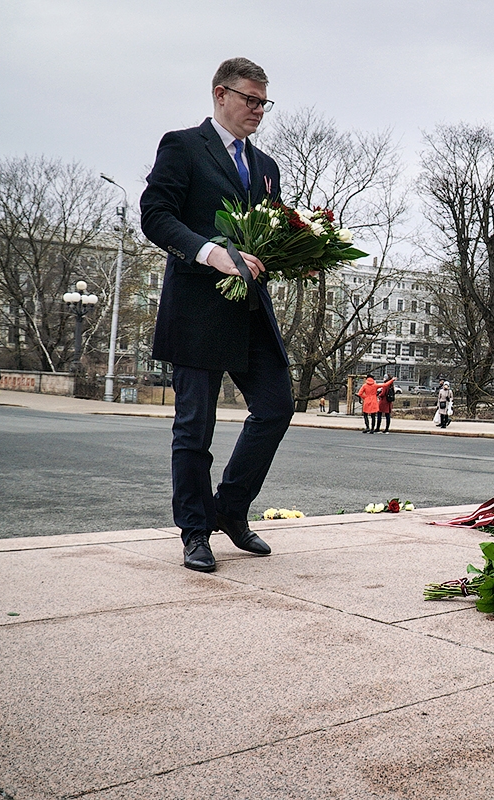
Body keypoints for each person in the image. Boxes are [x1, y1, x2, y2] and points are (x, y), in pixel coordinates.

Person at [140, 57, 289, 572]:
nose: (259, 111)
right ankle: (195, 532)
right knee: (194, 428)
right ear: (220, 94)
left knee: (276, 406)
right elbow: (155, 216)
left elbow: (267, 233)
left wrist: (297, 251)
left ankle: (230, 507)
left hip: (250, 309)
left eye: (264, 102)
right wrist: (212, 253)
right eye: (250, 100)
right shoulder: (182, 146)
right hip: (197, 309)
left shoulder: (266, 166)